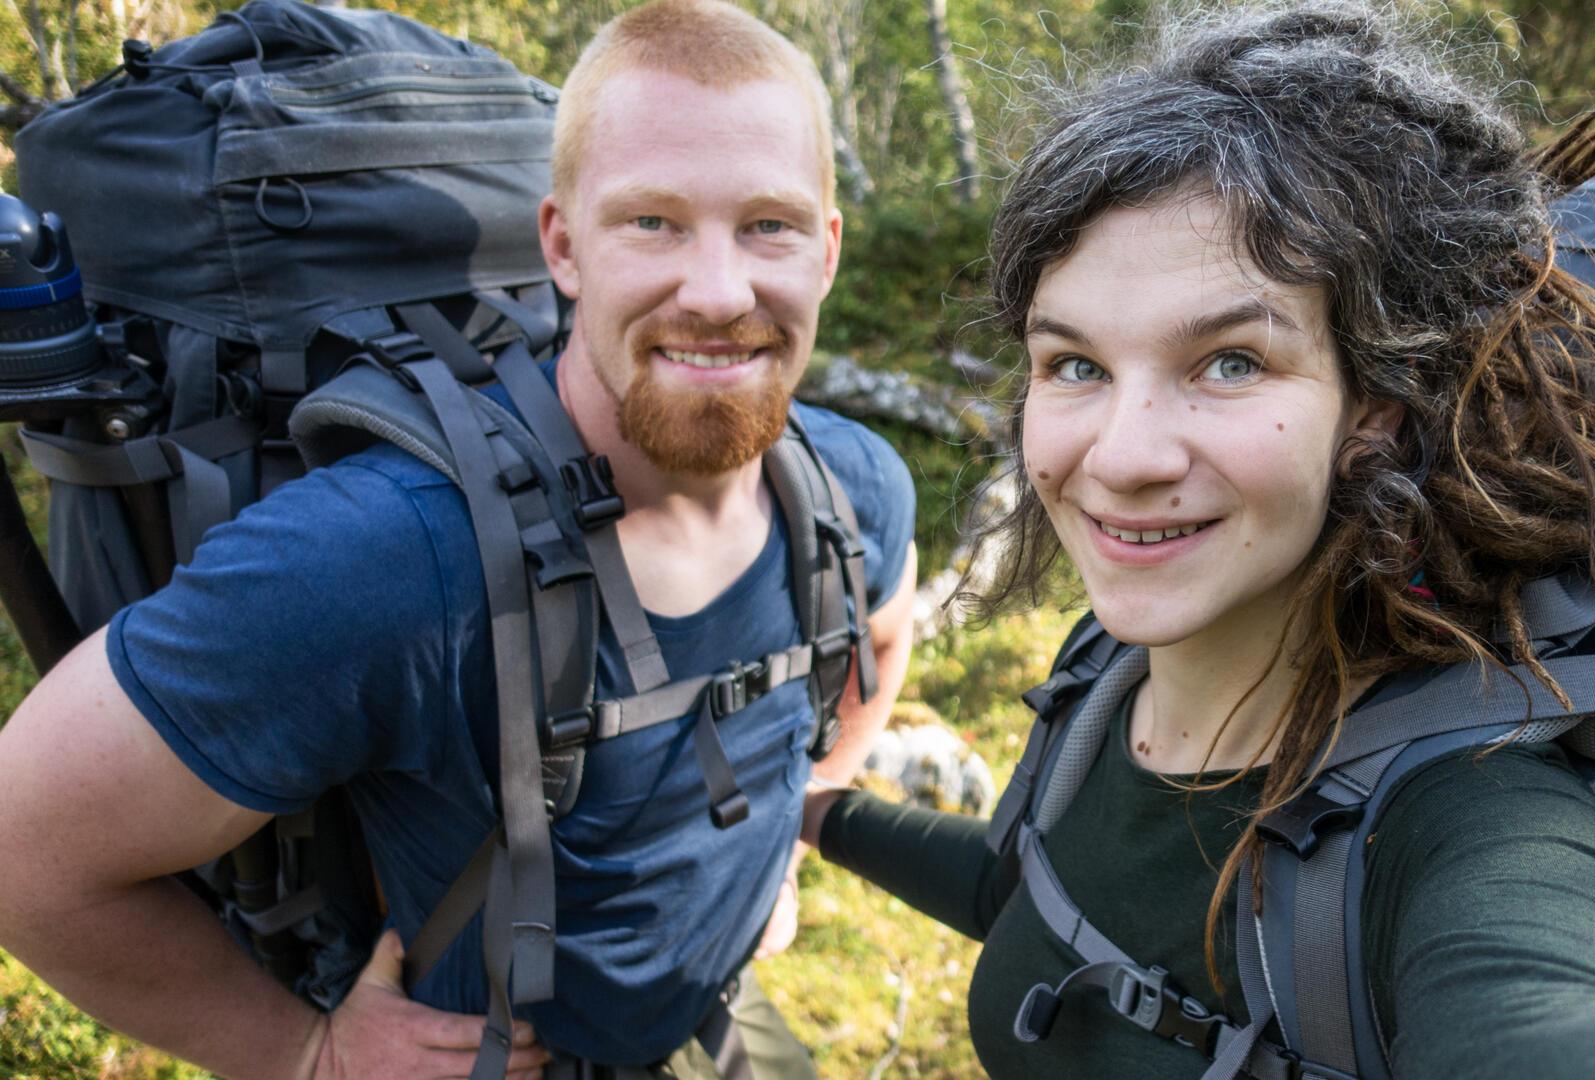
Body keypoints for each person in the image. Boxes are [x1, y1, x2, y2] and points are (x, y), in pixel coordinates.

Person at [799, 3, 1595, 1077]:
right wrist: (823, 817)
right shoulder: (1108, 680)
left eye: (1229, 363)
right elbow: (1033, 885)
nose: (1122, 455)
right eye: (1075, 364)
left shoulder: (1473, 828)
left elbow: (1549, 1016)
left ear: (1376, 407)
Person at [0, 2, 918, 1078]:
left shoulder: (853, 487)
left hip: (716, 1019)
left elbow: (878, 643)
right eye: (651, 224)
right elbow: (26, 849)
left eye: (768, 224)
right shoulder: (387, 559)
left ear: (828, 248)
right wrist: (304, 1057)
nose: (718, 292)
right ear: (563, 246)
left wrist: (782, 856)